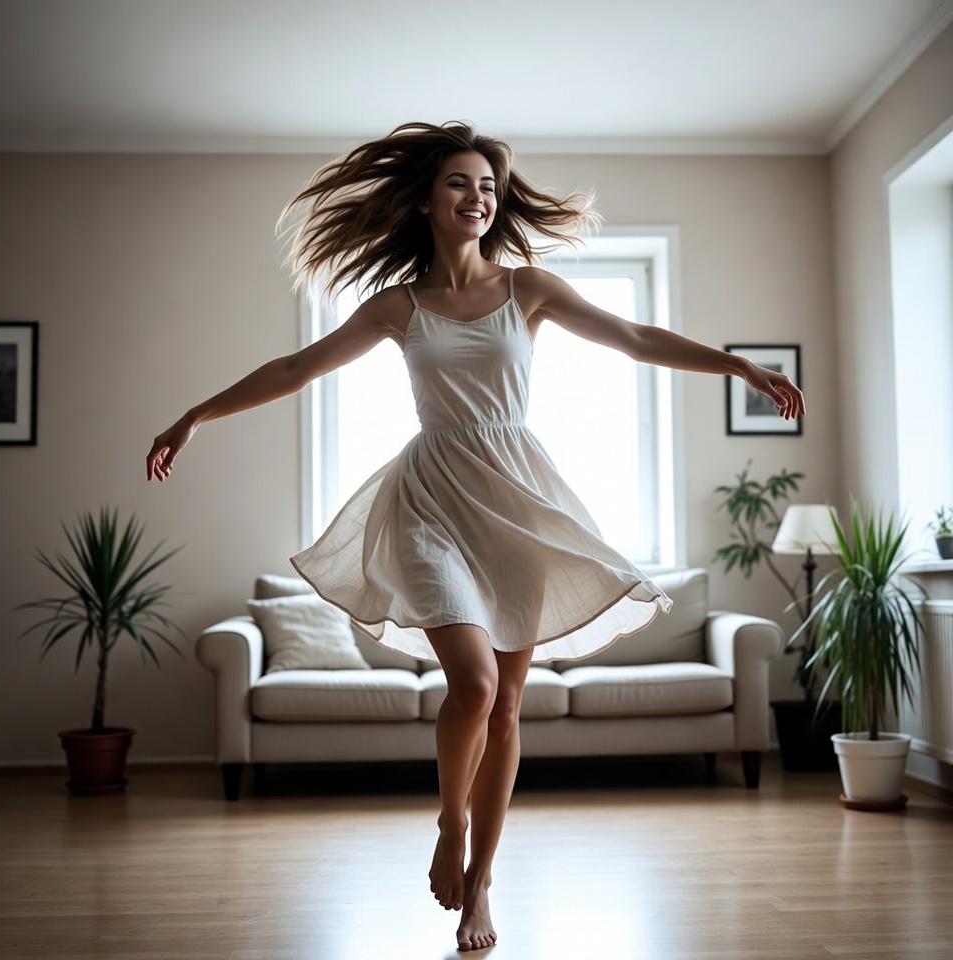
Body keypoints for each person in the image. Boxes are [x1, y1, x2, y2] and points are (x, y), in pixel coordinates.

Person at [146, 121, 805, 952]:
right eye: (460, 183)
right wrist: (195, 415)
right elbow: (294, 370)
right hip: (429, 501)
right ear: (426, 199)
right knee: (475, 685)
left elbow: (636, 340)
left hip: (519, 505)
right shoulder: (400, 305)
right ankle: (449, 818)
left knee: (506, 709)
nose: (478, 197)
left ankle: (481, 891)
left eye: (488, 187)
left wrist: (740, 366)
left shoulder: (528, 290)